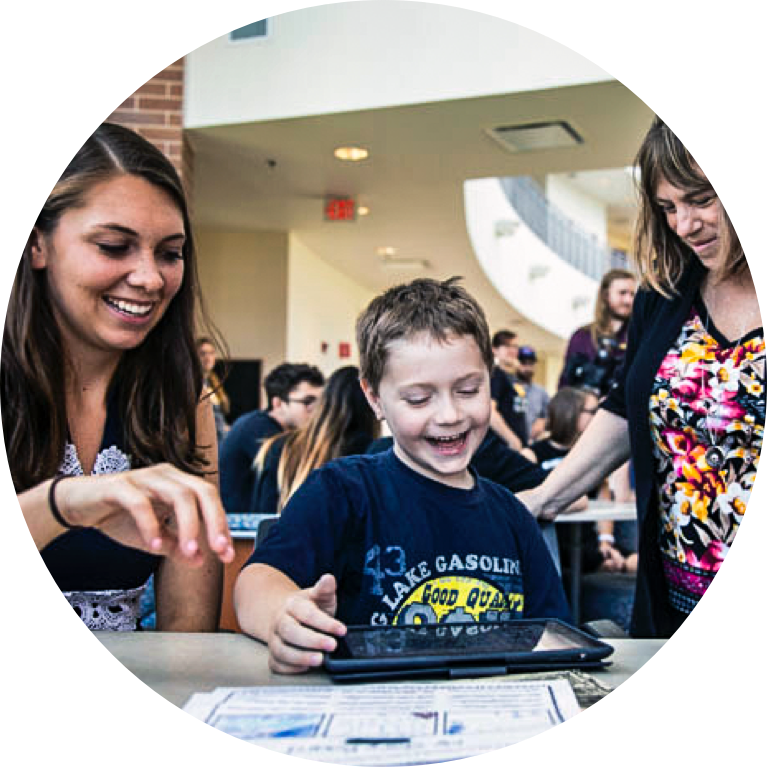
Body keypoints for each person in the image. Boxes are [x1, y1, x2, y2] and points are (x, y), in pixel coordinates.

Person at [234, 277, 571, 673]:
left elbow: (553, 632)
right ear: (375, 398)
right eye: (418, 398)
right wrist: (283, 616)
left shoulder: (512, 515)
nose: (449, 415)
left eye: (468, 390)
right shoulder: (343, 491)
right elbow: (255, 581)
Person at [519, 116, 761, 638]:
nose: (683, 224)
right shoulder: (665, 294)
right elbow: (626, 405)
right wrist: (544, 498)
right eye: (668, 207)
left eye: (700, 199)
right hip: (673, 599)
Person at [5, 122, 234, 631]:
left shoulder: (180, 397)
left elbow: (186, 641)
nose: (150, 278)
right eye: (113, 245)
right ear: (38, 245)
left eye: (170, 253)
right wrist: (63, 504)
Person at [524, 387, 634, 574]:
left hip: (588, 539)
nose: (599, 417)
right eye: (592, 411)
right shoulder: (532, 454)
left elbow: (604, 500)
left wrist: (605, 541)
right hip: (554, 540)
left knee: (639, 562)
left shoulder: (594, 458)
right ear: (570, 412)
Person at [251, 365, 381, 515]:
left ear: (324, 401)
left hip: (283, 535)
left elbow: (261, 518)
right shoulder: (367, 451)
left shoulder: (277, 446)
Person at [218, 362, 324, 513]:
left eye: (320, 403)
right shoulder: (257, 429)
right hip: (239, 528)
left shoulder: (273, 428)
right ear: (278, 403)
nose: (316, 410)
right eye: (308, 402)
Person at [558, 268, 636, 395]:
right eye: (622, 293)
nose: (629, 301)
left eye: (632, 294)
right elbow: (565, 384)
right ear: (605, 295)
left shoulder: (638, 336)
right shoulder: (582, 336)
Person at [489, 330, 527, 449]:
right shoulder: (496, 374)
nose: (512, 350)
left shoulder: (513, 378)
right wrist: (512, 439)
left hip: (518, 445)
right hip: (503, 446)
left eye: (515, 346)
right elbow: (490, 411)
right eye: (506, 346)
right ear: (494, 350)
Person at [197, 336, 230, 446]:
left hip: (221, 441)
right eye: (203, 353)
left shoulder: (213, 381)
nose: (208, 357)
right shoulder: (192, 384)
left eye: (211, 353)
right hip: (205, 444)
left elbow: (218, 417)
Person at [515, 345, 550, 443]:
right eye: (523, 363)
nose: (527, 368)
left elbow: (550, 415)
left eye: (531, 364)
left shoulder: (541, 392)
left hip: (533, 444)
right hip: (510, 443)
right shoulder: (507, 388)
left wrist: (543, 421)